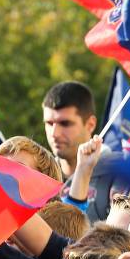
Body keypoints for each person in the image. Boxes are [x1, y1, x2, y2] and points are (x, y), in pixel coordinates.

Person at [42, 81, 112, 220]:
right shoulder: (38, 176)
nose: (54, 133)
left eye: (65, 123)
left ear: (90, 124)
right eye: (49, 123)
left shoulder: (119, 176)